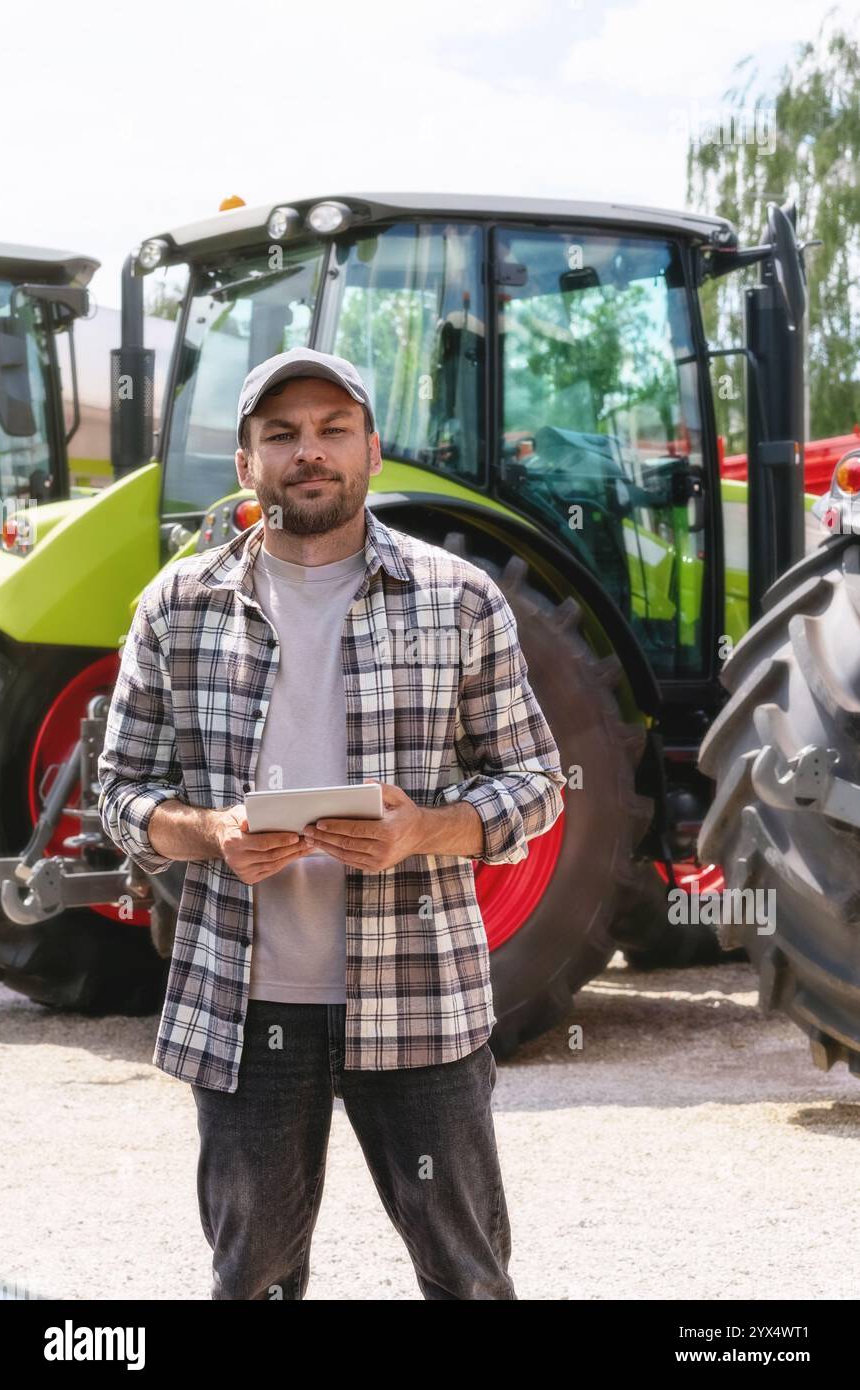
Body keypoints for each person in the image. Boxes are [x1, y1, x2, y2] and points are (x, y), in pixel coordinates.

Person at [97, 346, 567, 1300]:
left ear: (371, 450)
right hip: (244, 1006)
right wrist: (213, 832)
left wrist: (423, 831)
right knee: (253, 1279)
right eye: (282, 435)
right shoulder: (176, 609)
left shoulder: (458, 599)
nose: (308, 452)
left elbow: (536, 781)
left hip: (422, 1002)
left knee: (469, 1279)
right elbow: (122, 796)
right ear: (246, 464)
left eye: (331, 430)